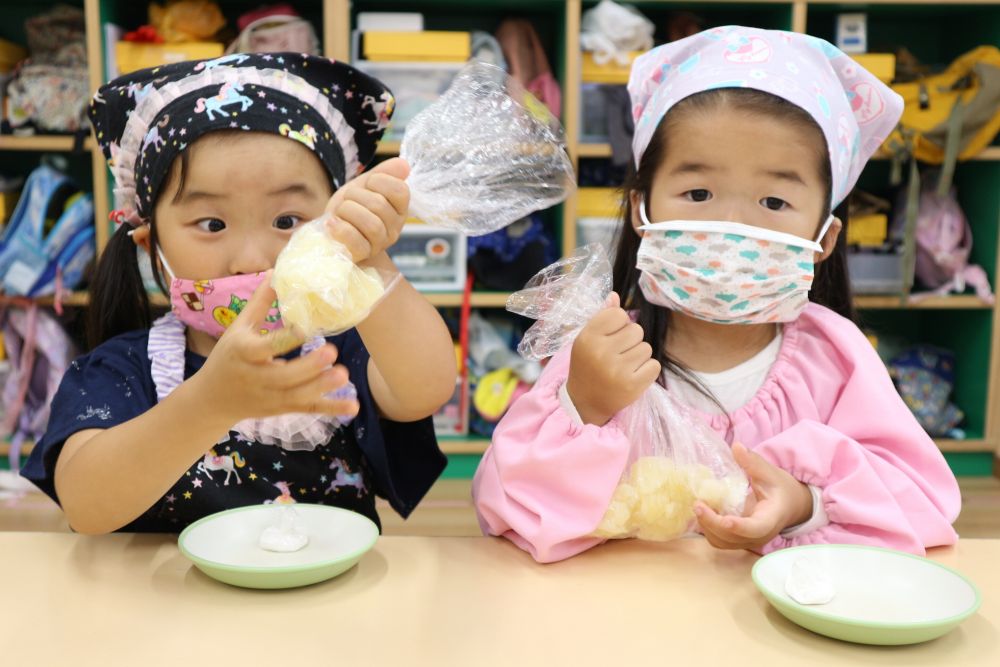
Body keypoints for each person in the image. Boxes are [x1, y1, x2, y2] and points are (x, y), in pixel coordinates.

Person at [473, 27, 961, 563]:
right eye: (698, 193)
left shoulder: (836, 363)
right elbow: (504, 509)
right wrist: (583, 407)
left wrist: (804, 504)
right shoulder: (602, 349)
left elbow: (923, 502)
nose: (731, 226)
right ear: (641, 209)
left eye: (774, 201)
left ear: (825, 237)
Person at [21, 53, 457, 534]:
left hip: (326, 601)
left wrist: (367, 256)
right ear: (151, 246)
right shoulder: (120, 372)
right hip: (163, 605)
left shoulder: (343, 350)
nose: (252, 259)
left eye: (288, 222)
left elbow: (426, 388)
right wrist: (210, 401)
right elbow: (85, 506)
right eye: (212, 224)